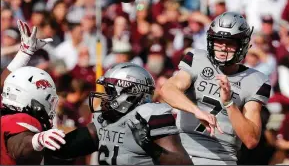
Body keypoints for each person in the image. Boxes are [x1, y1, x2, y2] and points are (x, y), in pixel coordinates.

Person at [160, 12, 271, 165]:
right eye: (218, 41)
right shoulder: (198, 59)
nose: (223, 48)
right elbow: (167, 89)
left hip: (219, 158)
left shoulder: (255, 80)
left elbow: (251, 140)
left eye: (230, 43)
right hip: (181, 149)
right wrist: (196, 111)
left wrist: (229, 103)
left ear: (243, 45)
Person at [44, 62, 193, 165]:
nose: (105, 97)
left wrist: (151, 147)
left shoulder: (150, 115)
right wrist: (41, 136)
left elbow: (183, 162)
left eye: (110, 91)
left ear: (131, 92)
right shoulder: (106, 118)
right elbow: (67, 148)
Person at [0, 20, 66, 164]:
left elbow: (4, 82)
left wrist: (24, 53)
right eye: (47, 97)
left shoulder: (5, 105)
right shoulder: (22, 119)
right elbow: (20, 146)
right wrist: (36, 141)